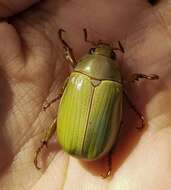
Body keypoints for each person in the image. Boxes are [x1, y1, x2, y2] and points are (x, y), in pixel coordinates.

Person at [0, 0, 170, 189]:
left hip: (76, 140)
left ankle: (45, 143)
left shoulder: (76, 78)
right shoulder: (117, 85)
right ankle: (109, 154)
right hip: (98, 147)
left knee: (57, 120)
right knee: (118, 121)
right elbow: (126, 96)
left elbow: (69, 62)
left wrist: (66, 47)